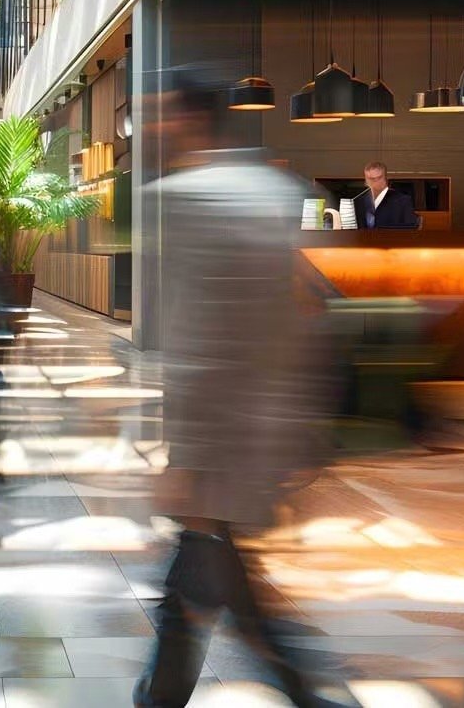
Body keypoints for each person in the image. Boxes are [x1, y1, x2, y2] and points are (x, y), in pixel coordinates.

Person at [134, 74, 339, 708]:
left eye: (156, 118)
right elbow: (301, 316)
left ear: (188, 121)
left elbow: (199, 343)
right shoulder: (273, 189)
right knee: (219, 580)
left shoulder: (187, 199)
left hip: (220, 440)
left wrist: (186, 458)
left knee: (202, 571)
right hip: (264, 427)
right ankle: (298, 688)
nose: (147, 132)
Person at [355, 161, 419, 229]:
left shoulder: (403, 201)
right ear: (366, 181)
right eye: (371, 179)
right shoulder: (359, 200)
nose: (376, 182)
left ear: (386, 178)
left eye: (379, 178)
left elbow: (411, 228)